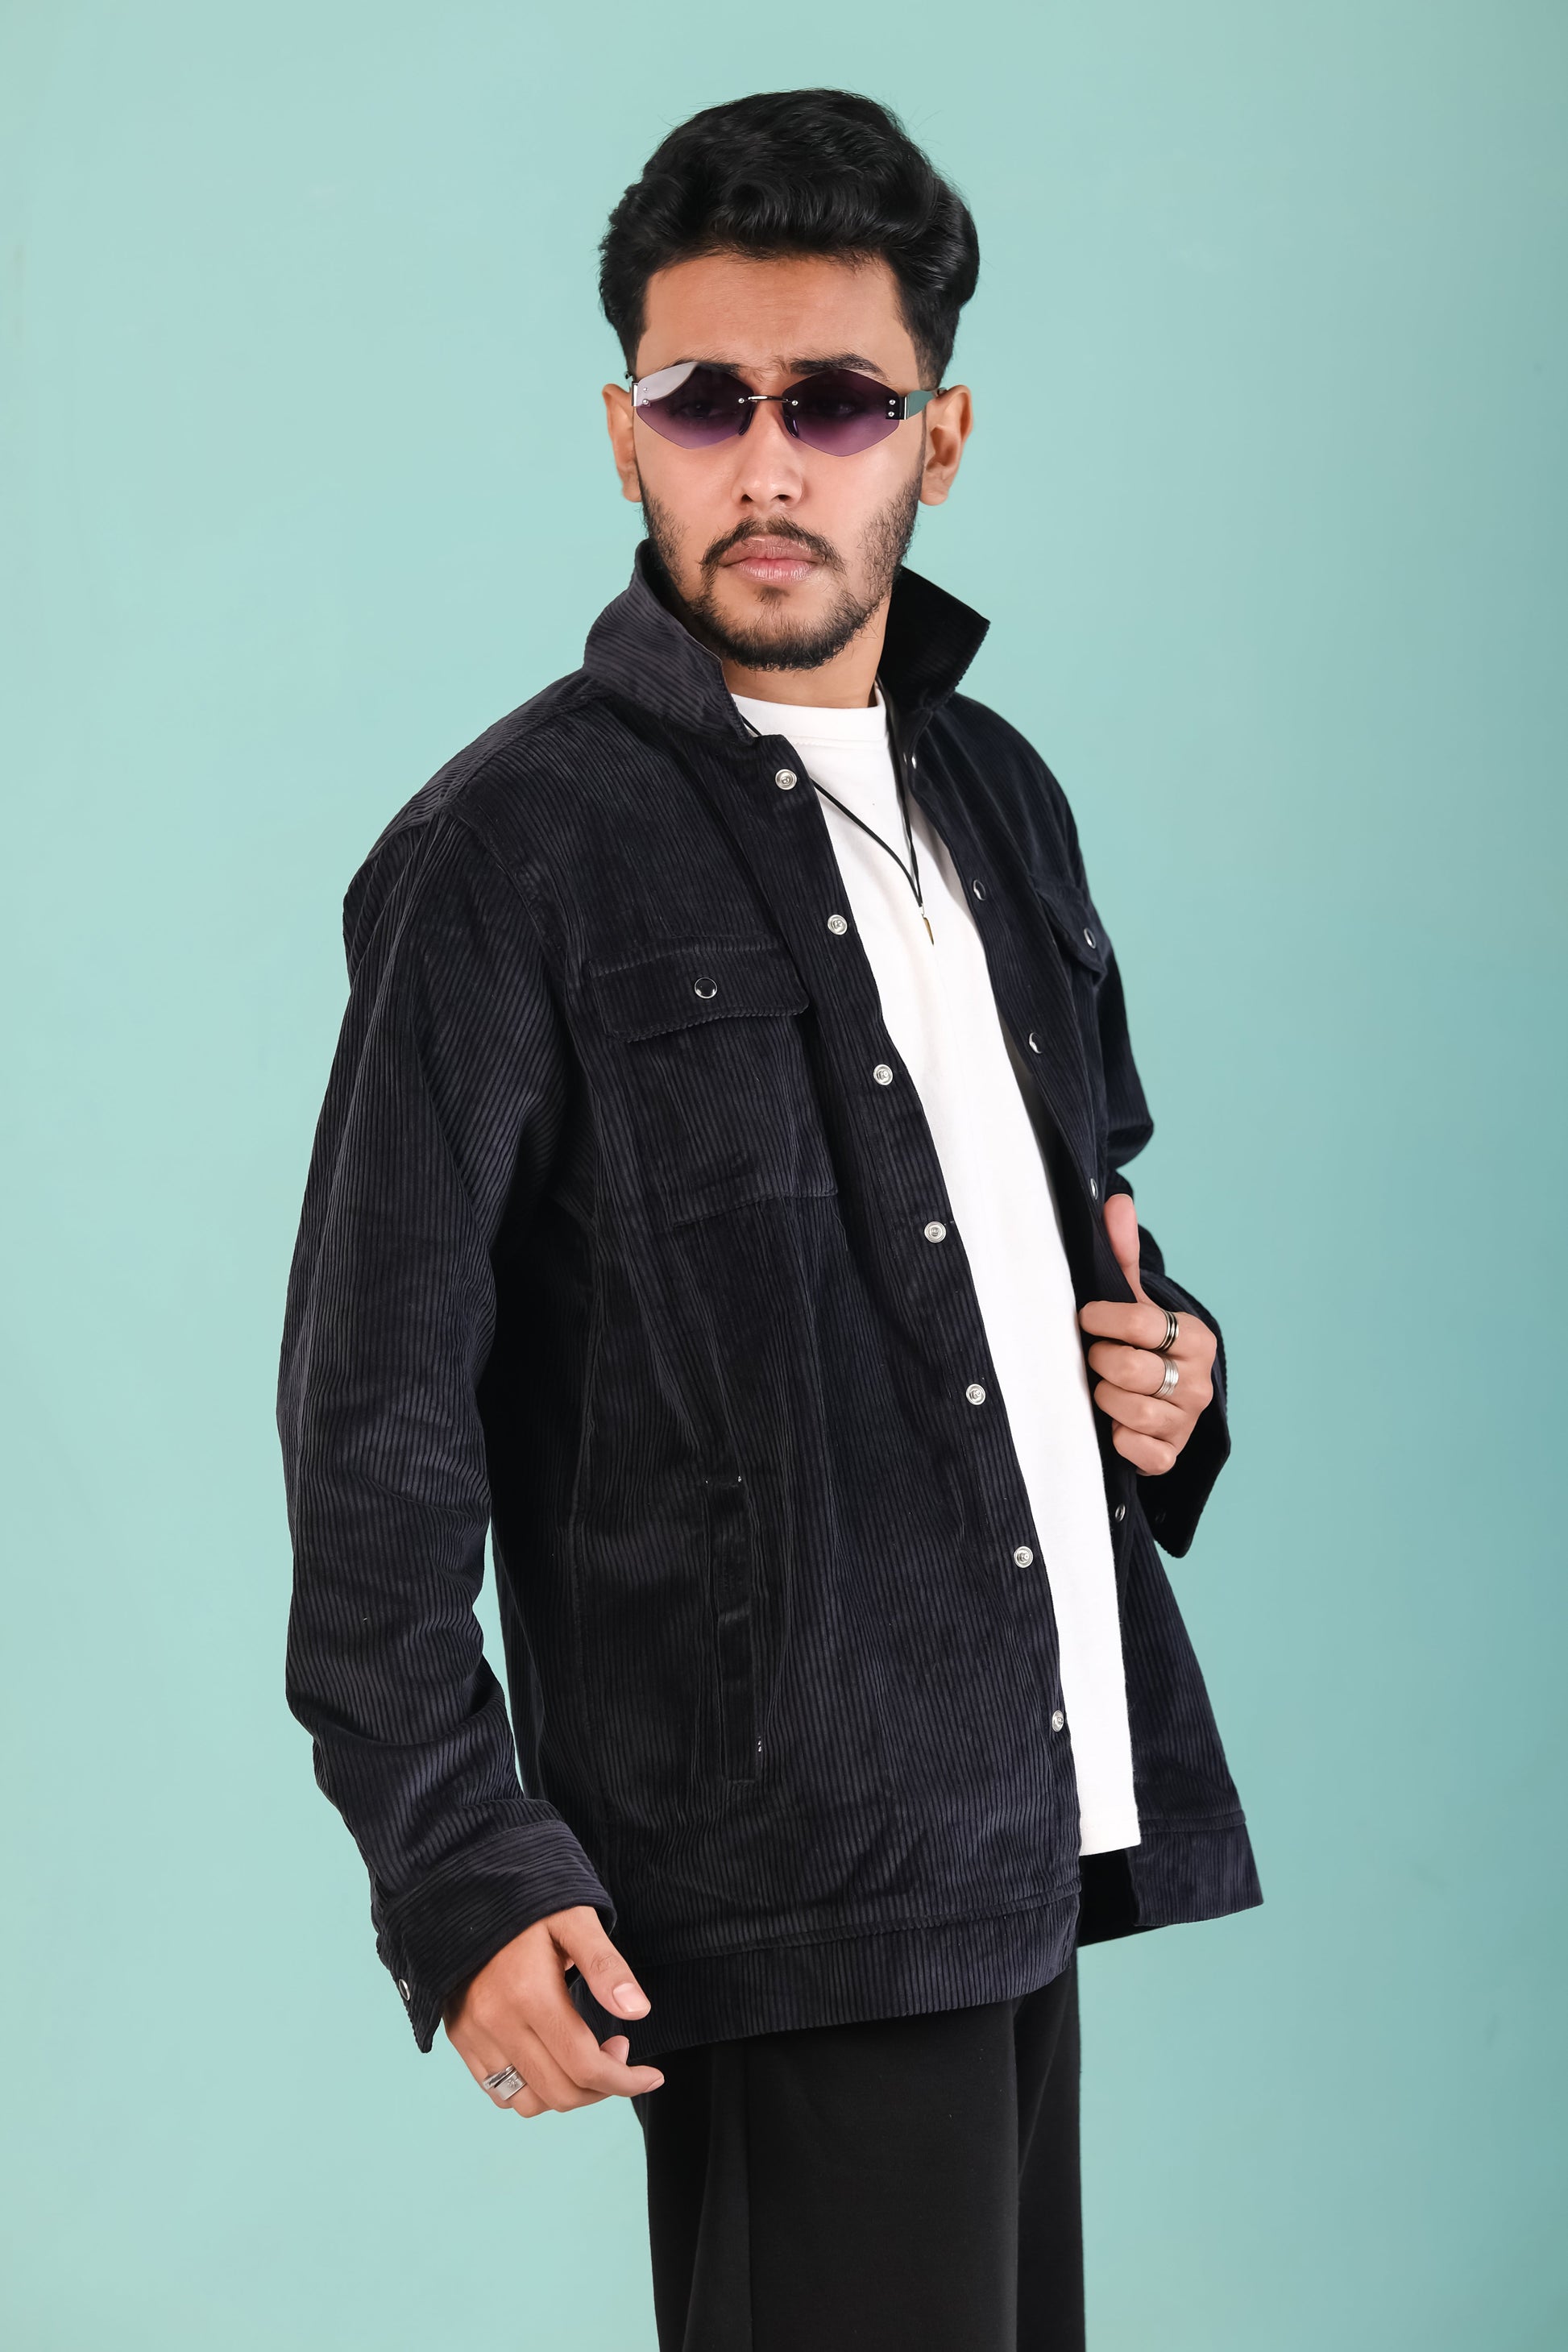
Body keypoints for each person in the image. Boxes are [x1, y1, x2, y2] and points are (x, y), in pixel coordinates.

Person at [277, 86, 1262, 2350]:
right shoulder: (510, 853)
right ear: (623, 431)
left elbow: (1078, 1232)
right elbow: (372, 1412)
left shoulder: (997, 798)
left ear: (939, 436)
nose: (767, 462)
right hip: (781, 1866)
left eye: (833, 402)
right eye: (702, 399)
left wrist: (1174, 1381)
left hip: (1028, 1819)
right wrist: (456, 1862)